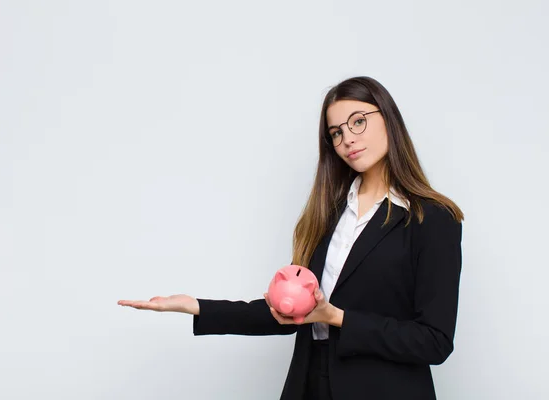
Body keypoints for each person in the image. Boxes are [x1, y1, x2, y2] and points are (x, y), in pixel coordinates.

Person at [118, 76, 464, 400]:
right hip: (310, 382)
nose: (348, 139)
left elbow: (434, 341)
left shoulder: (432, 218)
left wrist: (338, 318)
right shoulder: (327, 216)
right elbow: (291, 313)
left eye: (358, 121)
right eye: (336, 133)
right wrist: (195, 306)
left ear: (388, 118)